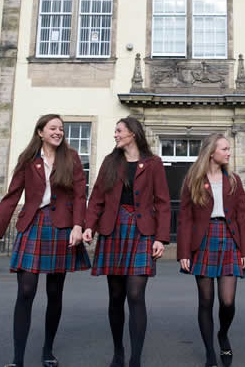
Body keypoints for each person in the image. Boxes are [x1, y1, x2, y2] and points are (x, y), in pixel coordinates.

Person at [0, 114, 90, 367]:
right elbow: (11, 196)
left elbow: (79, 193)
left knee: (55, 293)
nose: (58, 132)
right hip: (33, 226)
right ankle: (17, 360)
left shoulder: (71, 157)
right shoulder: (28, 159)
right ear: (40, 132)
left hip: (61, 228)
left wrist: (77, 225)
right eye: (53, 128)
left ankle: (48, 351)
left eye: (61, 129)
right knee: (26, 291)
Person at [82, 116, 171, 367]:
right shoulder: (111, 162)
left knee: (135, 294)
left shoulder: (153, 163)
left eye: (119, 131)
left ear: (133, 133)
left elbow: (163, 202)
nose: (115, 135)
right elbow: (97, 197)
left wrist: (161, 238)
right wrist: (90, 226)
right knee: (116, 295)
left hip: (142, 232)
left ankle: (135, 358)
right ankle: (118, 350)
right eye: (115, 131)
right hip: (114, 230)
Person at [177, 133, 245, 367]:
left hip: (229, 239)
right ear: (212, 152)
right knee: (205, 301)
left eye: (229, 149)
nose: (229, 152)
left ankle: (223, 334)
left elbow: (242, 216)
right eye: (225, 149)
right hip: (204, 240)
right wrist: (183, 253)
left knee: (227, 301)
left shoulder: (234, 180)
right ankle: (210, 352)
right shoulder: (193, 179)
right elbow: (185, 219)